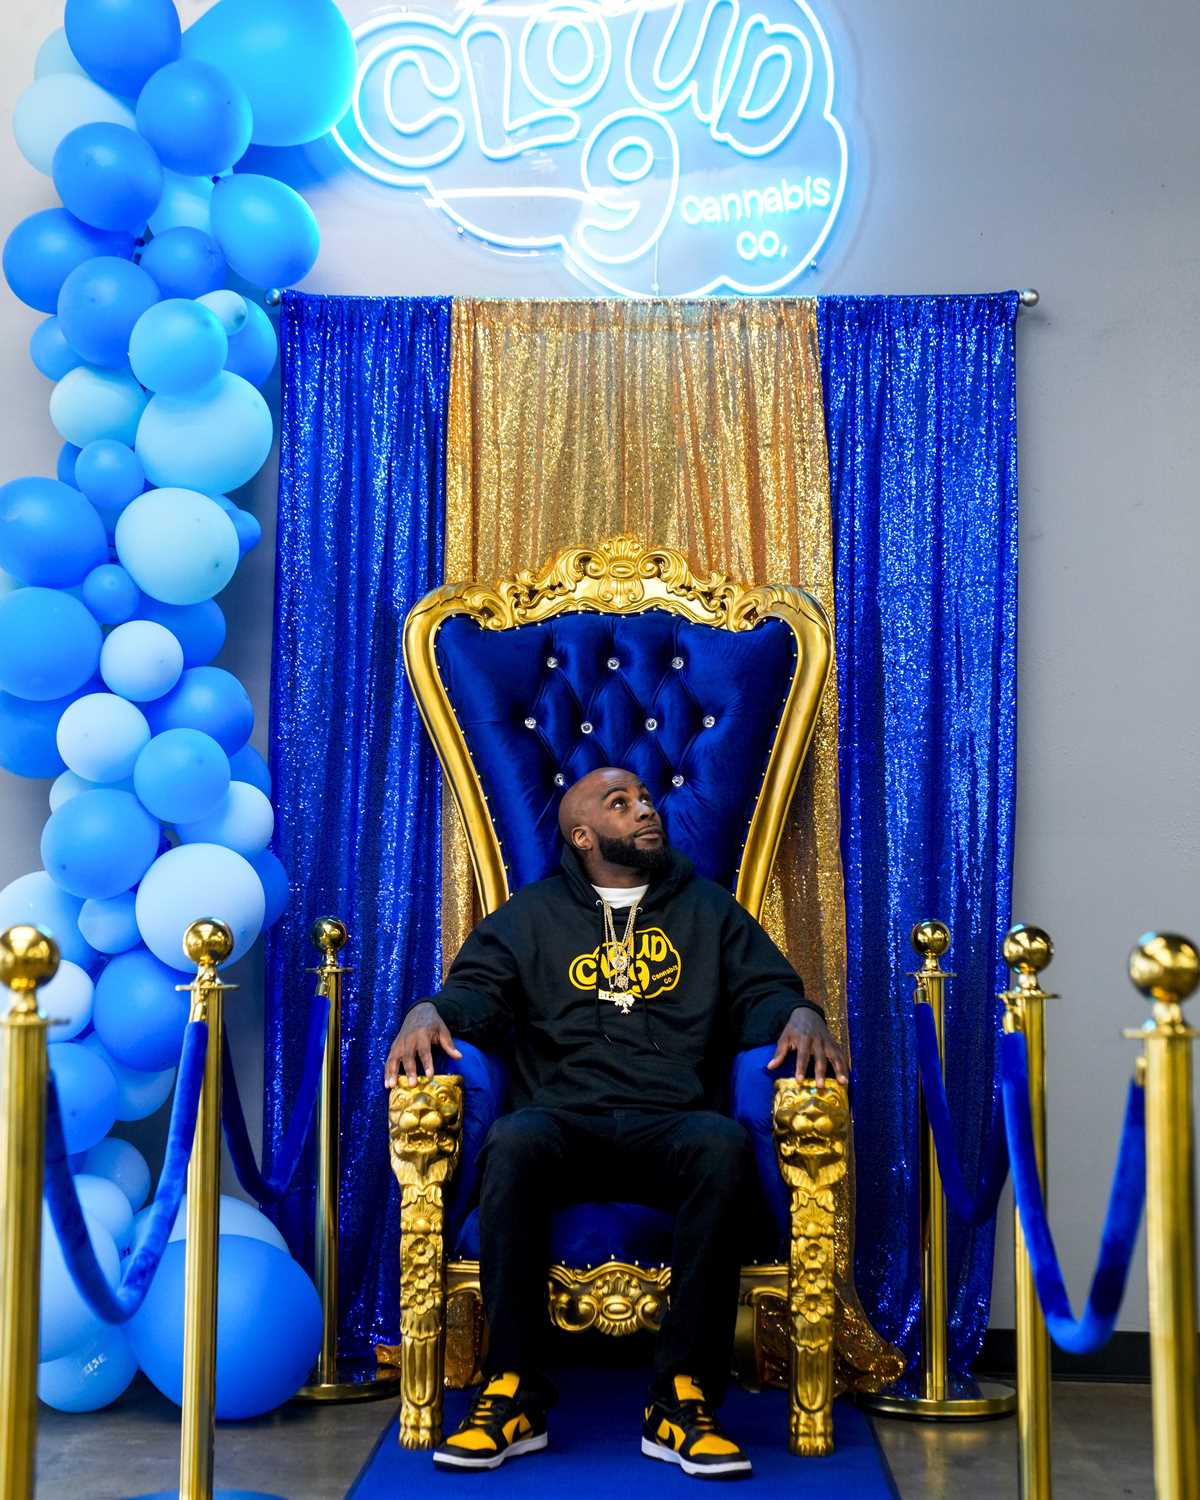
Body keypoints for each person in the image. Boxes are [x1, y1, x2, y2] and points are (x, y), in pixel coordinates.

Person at [384, 766, 848, 1479]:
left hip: (672, 1123)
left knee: (722, 1145)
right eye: (620, 803)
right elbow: (476, 991)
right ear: (582, 835)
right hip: (564, 1122)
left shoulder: (708, 910)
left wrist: (801, 1013)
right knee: (512, 1141)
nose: (645, 810)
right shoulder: (532, 915)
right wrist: (427, 1010)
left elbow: (766, 989)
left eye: (646, 799)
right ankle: (513, 1390)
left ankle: (682, 1397)